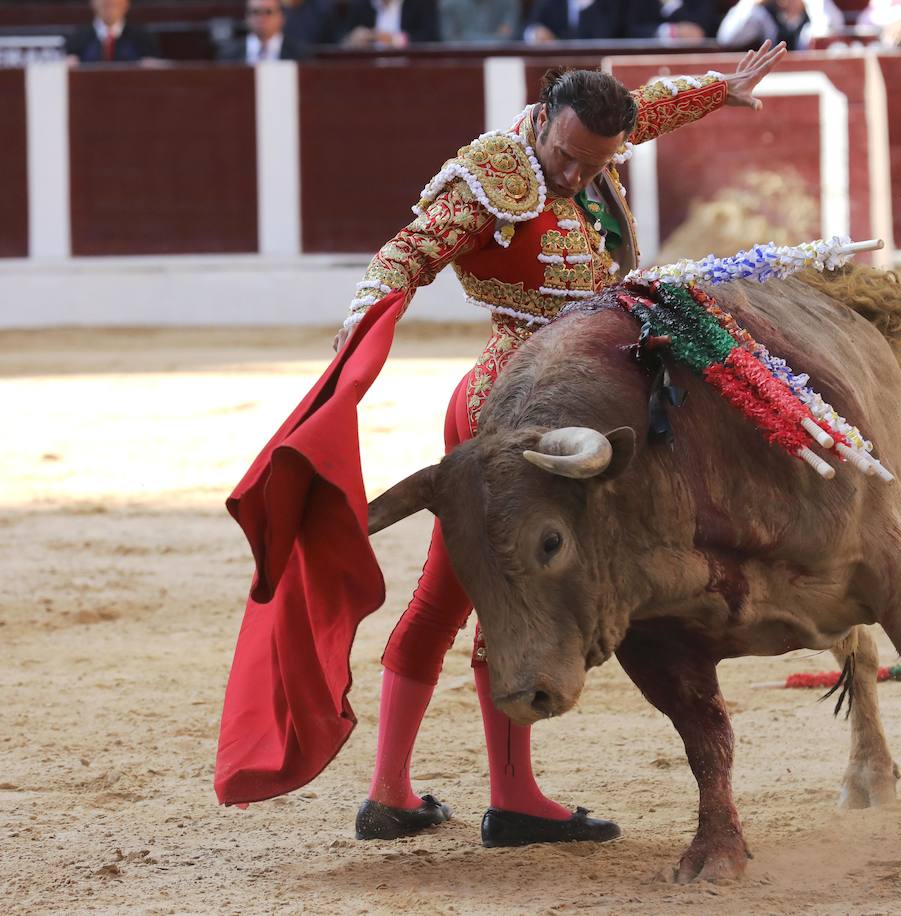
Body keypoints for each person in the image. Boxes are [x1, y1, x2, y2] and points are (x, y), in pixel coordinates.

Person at [214, 43, 789, 847]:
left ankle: (393, 794)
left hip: (561, 393)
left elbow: (646, 107)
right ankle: (512, 798)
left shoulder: (587, 141)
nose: (575, 176)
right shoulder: (492, 176)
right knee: (509, 597)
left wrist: (717, 90)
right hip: (510, 410)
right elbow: (405, 253)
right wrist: (360, 328)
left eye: (594, 165)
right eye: (565, 157)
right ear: (543, 116)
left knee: (449, 595)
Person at [717, 0, 843, 50]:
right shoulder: (763, 13)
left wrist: (813, 4)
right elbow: (727, 38)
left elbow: (828, 31)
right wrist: (751, 2)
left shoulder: (815, 10)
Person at [66, 0, 158, 64]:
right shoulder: (76, 39)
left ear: (127, 2)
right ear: (93, 2)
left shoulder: (144, 39)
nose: (110, 1)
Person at [217, 0, 307, 62]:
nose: (262, 18)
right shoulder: (229, 56)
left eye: (268, 12)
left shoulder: (300, 55)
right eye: (256, 12)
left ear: (282, 17)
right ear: (246, 17)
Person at [342, 0, 440, 48]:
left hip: (411, 72)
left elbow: (430, 39)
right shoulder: (360, 5)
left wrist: (395, 40)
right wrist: (352, 39)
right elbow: (340, 42)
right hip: (367, 73)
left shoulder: (420, 4)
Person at [438, 0, 521, 40]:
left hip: (499, 61)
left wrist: (465, 36)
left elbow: (506, 38)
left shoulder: (509, 3)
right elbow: (449, 39)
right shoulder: (449, 4)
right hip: (460, 62)